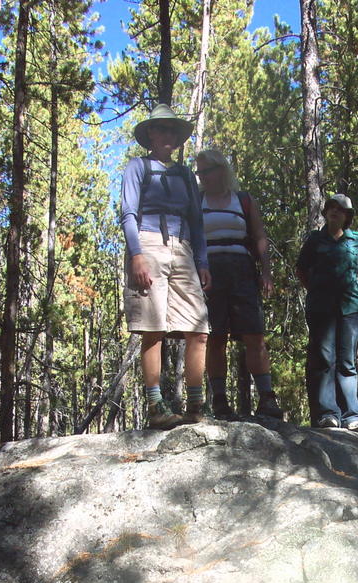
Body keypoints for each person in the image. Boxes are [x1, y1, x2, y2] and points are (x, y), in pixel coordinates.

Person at [121, 104, 211, 429]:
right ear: (149, 135)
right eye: (161, 129)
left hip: (183, 248)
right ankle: (156, 405)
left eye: (172, 130)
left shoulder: (185, 174)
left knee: (199, 329)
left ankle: (196, 405)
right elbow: (128, 213)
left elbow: (197, 221)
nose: (168, 135)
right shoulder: (138, 167)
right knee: (153, 328)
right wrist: (136, 255)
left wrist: (202, 261)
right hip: (147, 243)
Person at [195, 149, 283, 419]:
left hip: (242, 269)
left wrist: (266, 271)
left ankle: (267, 399)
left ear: (221, 170)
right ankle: (220, 401)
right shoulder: (196, 201)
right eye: (199, 172)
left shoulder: (242, 200)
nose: (202, 177)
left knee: (254, 334)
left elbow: (259, 236)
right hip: (209, 272)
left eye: (206, 171)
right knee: (216, 336)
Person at [296, 194, 358, 430]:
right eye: (331, 207)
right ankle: (328, 413)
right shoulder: (315, 240)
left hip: (350, 308)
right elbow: (301, 269)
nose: (335, 211)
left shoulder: (357, 240)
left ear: (347, 216)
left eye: (340, 209)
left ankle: (352, 416)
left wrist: (356, 285)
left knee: (347, 361)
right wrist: (316, 290)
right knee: (324, 360)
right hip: (321, 308)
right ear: (326, 212)